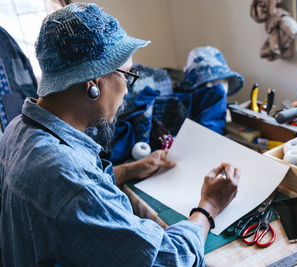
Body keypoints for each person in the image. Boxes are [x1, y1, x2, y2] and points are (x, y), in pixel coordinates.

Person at [0, 3, 240, 266]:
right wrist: (208, 206)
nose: (127, 89)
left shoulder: (17, 131)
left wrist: (129, 170)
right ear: (92, 84)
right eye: (128, 75)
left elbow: (65, 197)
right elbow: (169, 259)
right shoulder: (72, 181)